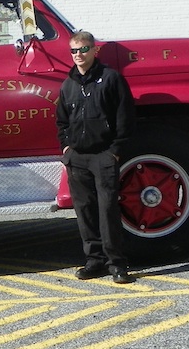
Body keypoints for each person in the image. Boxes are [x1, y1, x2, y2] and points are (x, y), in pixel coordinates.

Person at [55, 30, 136, 284]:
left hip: (104, 155)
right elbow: (61, 121)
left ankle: (117, 264)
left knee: (108, 210)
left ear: (94, 50)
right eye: (74, 51)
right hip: (77, 158)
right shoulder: (68, 85)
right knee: (85, 211)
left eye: (84, 49)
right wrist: (66, 148)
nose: (78, 55)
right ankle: (94, 261)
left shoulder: (111, 79)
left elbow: (125, 117)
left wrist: (115, 151)